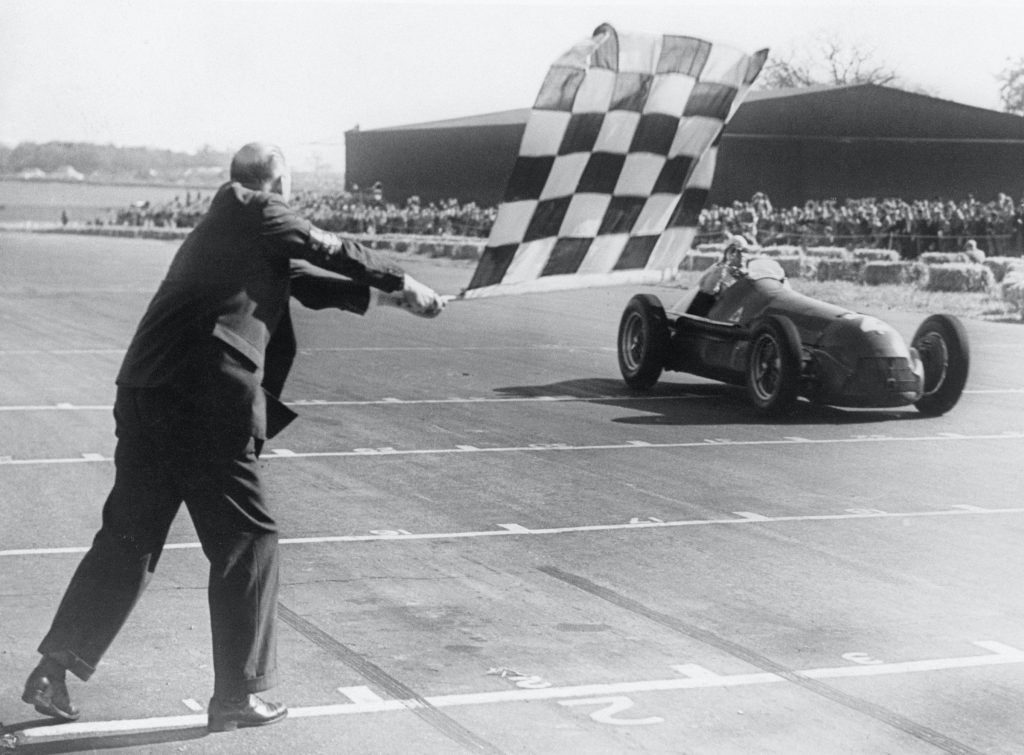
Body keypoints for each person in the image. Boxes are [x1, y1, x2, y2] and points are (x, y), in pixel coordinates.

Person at [21, 142, 445, 733]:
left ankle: (53, 670)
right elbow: (325, 247)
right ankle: (239, 695)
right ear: (277, 182)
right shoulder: (255, 207)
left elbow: (300, 279)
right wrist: (406, 277)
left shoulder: (223, 229)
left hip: (146, 391)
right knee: (249, 537)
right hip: (204, 400)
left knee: (129, 537)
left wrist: (390, 297)